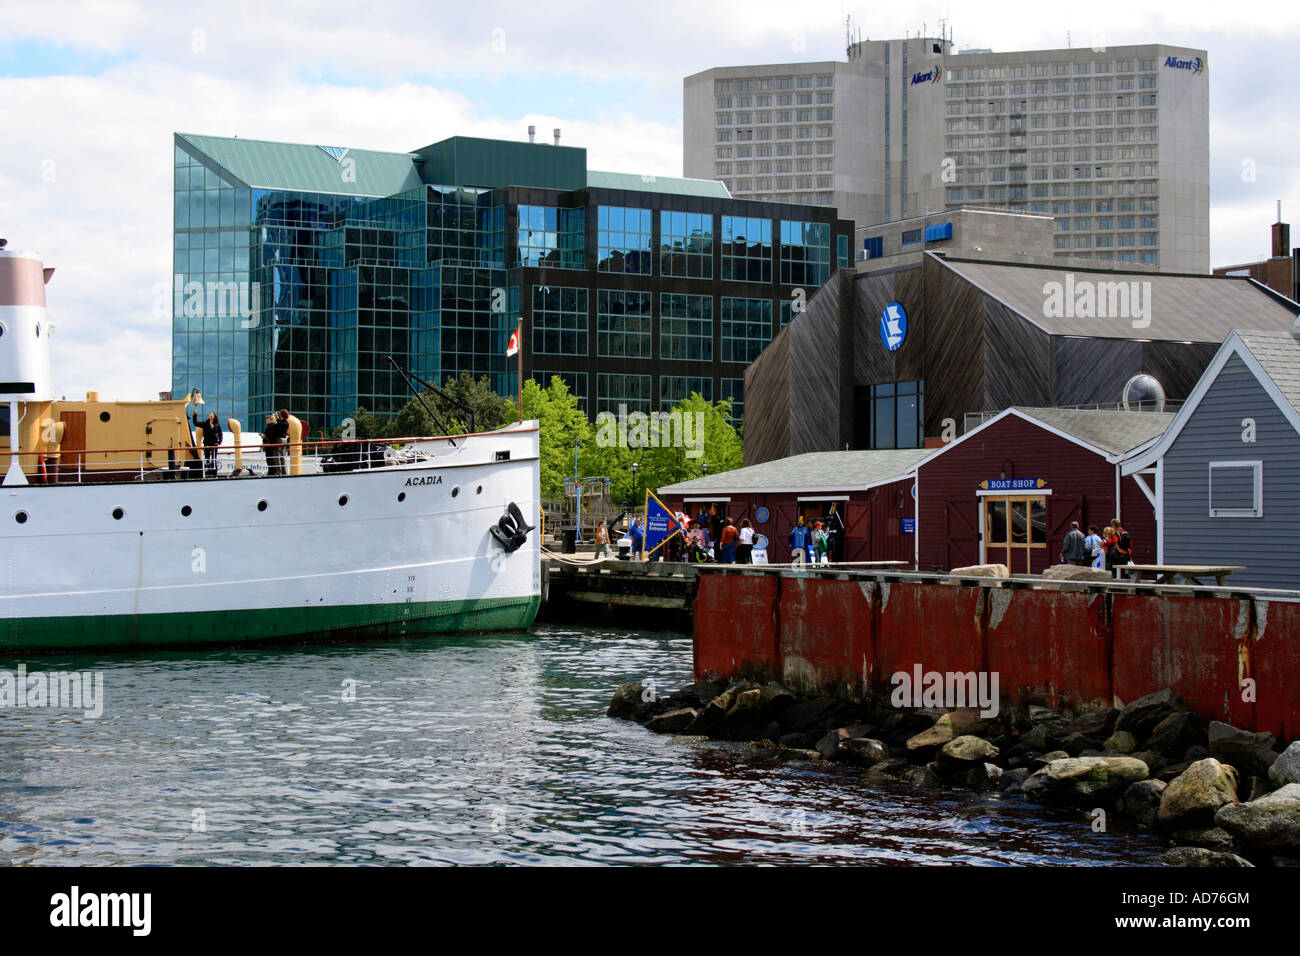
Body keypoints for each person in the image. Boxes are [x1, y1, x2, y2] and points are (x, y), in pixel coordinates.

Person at [192, 410, 222, 476]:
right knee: (207, 457)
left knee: (214, 458)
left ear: (214, 416)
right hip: (207, 443)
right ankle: (207, 471)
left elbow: (220, 434)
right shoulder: (205, 424)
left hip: (214, 444)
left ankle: (214, 472)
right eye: (210, 415)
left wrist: (219, 442)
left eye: (212, 415)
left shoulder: (217, 425)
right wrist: (195, 414)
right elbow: (195, 423)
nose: (210, 416)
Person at [264, 409, 290, 477]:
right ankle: (283, 472)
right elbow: (279, 426)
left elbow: (278, 428)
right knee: (282, 458)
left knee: (277, 458)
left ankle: (278, 472)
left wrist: (276, 419)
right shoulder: (286, 423)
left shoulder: (283, 423)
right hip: (283, 442)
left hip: (278, 441)